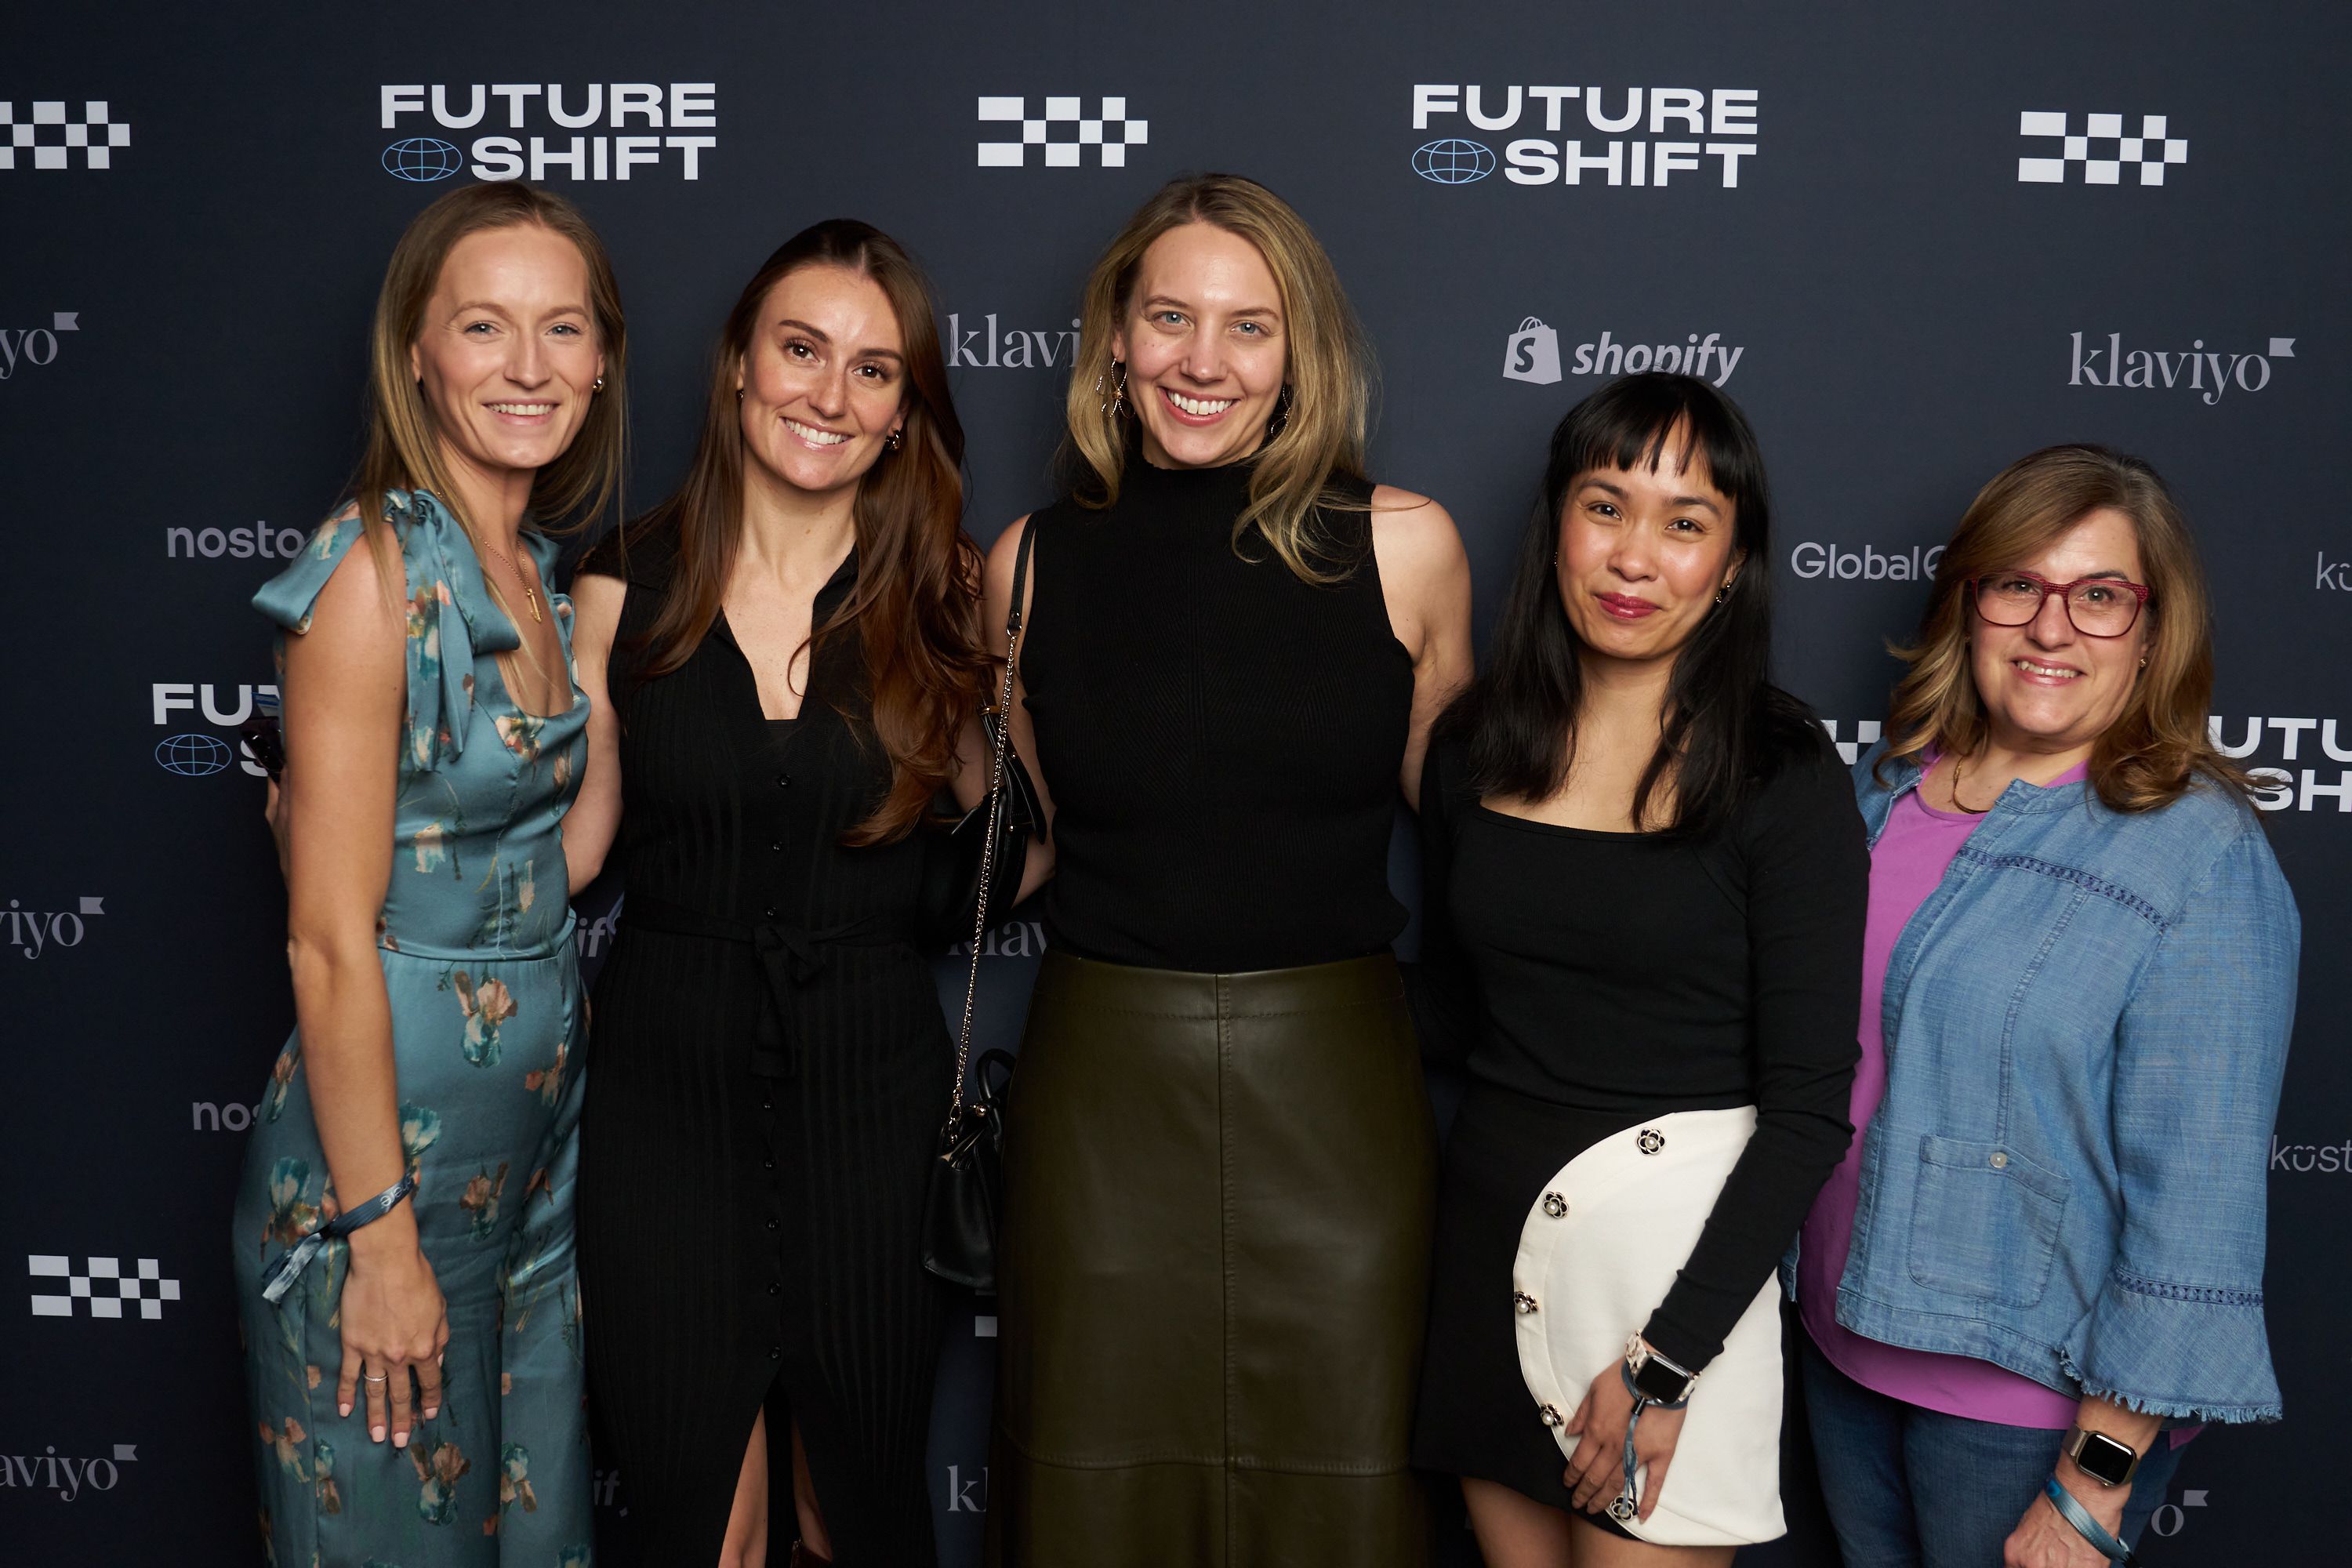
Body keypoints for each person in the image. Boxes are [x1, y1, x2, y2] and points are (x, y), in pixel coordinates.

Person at [980, 172, 1473, 1566]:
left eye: (1248, 327)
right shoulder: (1024, 565)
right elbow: (1032, 835)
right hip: (1101, 1095)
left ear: (1298, 352)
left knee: (1347, 1483)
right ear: (1116, 343)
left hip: (1339, 1098)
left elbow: (1475, 841)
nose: (1205, 361)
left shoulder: (1405, 546)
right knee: (1092, 1489)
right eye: (1170, 319)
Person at [561, 220, 1034, 1568]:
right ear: (736, 366)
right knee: (700, 1523)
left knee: (855, 1516)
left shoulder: (942, 598)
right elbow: (575, 851)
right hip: (666, 1104)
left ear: (902, 414)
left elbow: (1017, 853)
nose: (829, 395)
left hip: (871, 1111)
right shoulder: (623, 587)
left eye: (874, 371)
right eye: (802, 350)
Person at [1795, 445, 2299, 1568]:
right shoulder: (1882, 796)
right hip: (1836, 1356)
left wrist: (2097, 1480)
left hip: (2023, 1408)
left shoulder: (2197, 854)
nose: (2051, 627)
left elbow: (2202, 1195)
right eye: (2018, 584)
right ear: (1970, 604)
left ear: (2154, 631)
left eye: (2100, 596)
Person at [1410, 372, 1868, 1567]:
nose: (1634, 557)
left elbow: (1813, 1107)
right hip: (1486, 1252)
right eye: (1606, 506)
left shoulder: (1781, 770)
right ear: (1557, 520)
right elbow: (1451, 1013)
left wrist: (1670, 1356)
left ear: (1732, 563)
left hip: (1670, 1289)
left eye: (1684, 523)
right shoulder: (1472, 747)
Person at [231, 180, 626, 1567]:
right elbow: (327, 944)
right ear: (418, 351)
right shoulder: (367, 576)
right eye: (484, 326)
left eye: (562, 328)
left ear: (600, 358)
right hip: (380, 1197)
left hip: (528, 1180)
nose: (527, 366)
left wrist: (610, 643)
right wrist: (380, 1245)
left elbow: (564, 860)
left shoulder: (538, 577)